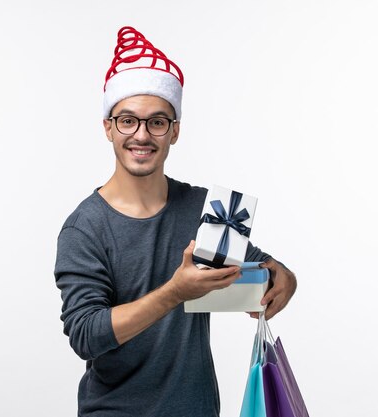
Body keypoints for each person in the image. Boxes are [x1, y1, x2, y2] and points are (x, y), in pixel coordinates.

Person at [54, 26, 297, 417]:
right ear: (108, 128)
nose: (141, 135)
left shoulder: (205, 208)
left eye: (157, 122)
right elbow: (86, 335)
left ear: (175, 132)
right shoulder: (84, 227)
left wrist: (282, 276)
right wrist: (175, 292)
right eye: (128, 120)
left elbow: (258, 265)